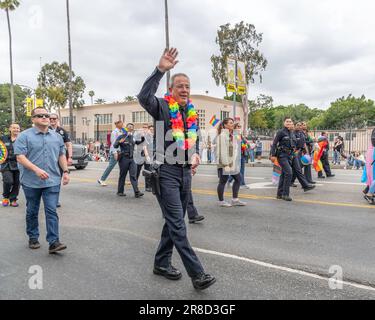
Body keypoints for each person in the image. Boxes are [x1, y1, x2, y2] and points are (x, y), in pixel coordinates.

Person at [137, 47, 216, 290]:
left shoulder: (189, 112)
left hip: (184, 172)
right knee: (178, 225)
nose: (184, 90)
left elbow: (193, 138)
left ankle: (161, 263)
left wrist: (194, 154)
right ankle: (198, 274)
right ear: (171, 90)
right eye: (180, 86)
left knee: (174, 221)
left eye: (187, 86)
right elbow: (143, 97)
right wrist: (160, 70)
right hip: (166, 172)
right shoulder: (161, 107)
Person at [14, 107, 69, 253]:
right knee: (32, 210)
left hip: (52, 180)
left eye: (47, 115)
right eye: (40, 116)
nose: (45, 118)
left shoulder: (57, 136)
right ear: (33, 119)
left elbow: (61, 155)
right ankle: (33, 237)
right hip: (31, 181)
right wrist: (36, 170)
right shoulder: (24, 136)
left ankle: (54, 242)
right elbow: (20, 157)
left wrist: (66, 171)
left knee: (51, 210)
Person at [270, 117, 315, 201]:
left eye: (290, 121)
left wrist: (303, 149)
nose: (289, 123)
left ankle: (279, 194)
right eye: (287, 121)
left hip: (292, 155)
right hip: (282, 155)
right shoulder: (281, 132)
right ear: (284, 123)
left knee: (288, 173)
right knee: (289, 173)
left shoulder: (292, 133)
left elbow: (298, 144)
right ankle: (285, 194)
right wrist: (272, 155)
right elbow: (274, 143)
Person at [216, 118, 246, 207]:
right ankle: (221, 201)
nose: (233, 124)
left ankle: (235, 200)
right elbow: (221, 151)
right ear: (225, 125)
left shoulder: (231, 135)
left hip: (231, 162)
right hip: (224, 162)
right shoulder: (222, 135)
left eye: (233, 123)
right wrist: (226, 164)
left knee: (238, 179)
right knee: (223, 181)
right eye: (231, 123)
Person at [114, 123, 144, 198]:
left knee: (133, 175)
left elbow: (138, 142)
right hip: (124, 158)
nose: (131, 128)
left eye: (132, 127)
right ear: (126, 128)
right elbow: (115, 145)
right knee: (122, 175)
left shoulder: (132, 137)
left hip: (131, 159)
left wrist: (143, 138)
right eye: (129, 127)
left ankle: (137, 192)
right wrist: (119, 142)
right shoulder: (121, 136)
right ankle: (120, 191)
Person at [49, 113, 73, 208]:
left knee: (57, 179)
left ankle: (55, 199)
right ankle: (47, 197)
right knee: (47, 178)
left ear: (57, 119)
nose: (52, 120)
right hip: (48, 159)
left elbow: (68, 144)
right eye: (50, 118)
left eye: (54, 118)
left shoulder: (62, 131)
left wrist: (70, 157)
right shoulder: (45, 129)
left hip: (60, 158)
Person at [97, 120, 124, 186]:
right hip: (115, 152)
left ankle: (123, 180)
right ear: (117, 124)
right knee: (111, 166)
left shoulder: (121, 131)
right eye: (121, 123)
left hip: (120, 151)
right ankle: (102, 179)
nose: (123, 124)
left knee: (123, 166)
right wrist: (114, 152)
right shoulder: (114, 132)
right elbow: (113, 143)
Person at [1, 123, 21, 207]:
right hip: (5, 164)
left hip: (19, 164)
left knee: (17, 182)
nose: (16, 129)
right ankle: (5, 197)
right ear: (10, 129)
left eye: (17, 128)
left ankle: (13, 199)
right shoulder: (3, 138)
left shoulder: (22, 138)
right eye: (14, 128)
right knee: (8, 181)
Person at [228, 123, 249, 189]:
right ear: (235, 127)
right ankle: (242, 184)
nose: (239, 128)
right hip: (237, 155)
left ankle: (229, 180)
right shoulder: (234, 135)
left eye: (240, 126)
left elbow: (245, 142)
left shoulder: (240, 135)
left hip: (242, 154)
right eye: (238, 126)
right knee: (240, 170)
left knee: (239, 170)